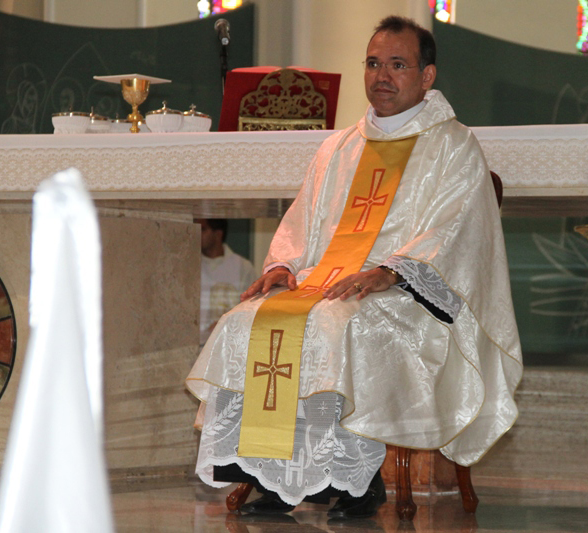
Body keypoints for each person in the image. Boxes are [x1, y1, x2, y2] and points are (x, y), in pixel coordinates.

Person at [186, 16, 522, 520]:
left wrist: (391, 272)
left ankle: (358, 483)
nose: (381, 76)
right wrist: (284, 266)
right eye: (372, 64)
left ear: (427, 76)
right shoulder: (338, 146)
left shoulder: (453, 146)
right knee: (247, 320)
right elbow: (301, 222)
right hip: (325, 284)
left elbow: (456, 232)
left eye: (397, 65)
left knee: (334, 327)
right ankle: (279, 478)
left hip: (405, 297)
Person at [196, 218, 257, 346]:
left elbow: (252, 307)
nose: (196, 233)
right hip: (194, 345)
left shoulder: (243, 267)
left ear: (218, 234)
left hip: (229, 344)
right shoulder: (189, 264)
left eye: (202, 229)